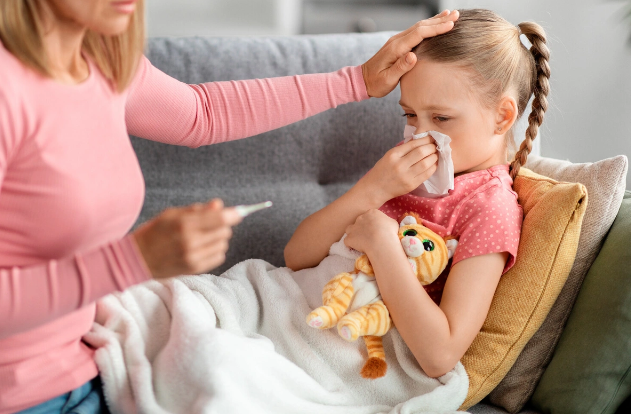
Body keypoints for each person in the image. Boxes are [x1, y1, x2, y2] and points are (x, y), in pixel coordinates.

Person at [0, 0, 460, 412]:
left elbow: (201, 113)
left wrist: (356, 80)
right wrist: (131, 262)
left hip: (89, 365)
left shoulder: (99, 60)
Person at [285, 8, 550, 379]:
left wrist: (383, 245)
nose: (421, 136)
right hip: (292, 302)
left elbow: (440, 354)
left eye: (440, 119)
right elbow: (295, 256)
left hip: (346, 342)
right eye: (410, 115)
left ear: (502, 117)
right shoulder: (398, 174)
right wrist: (372, 189)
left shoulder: (490, 207)